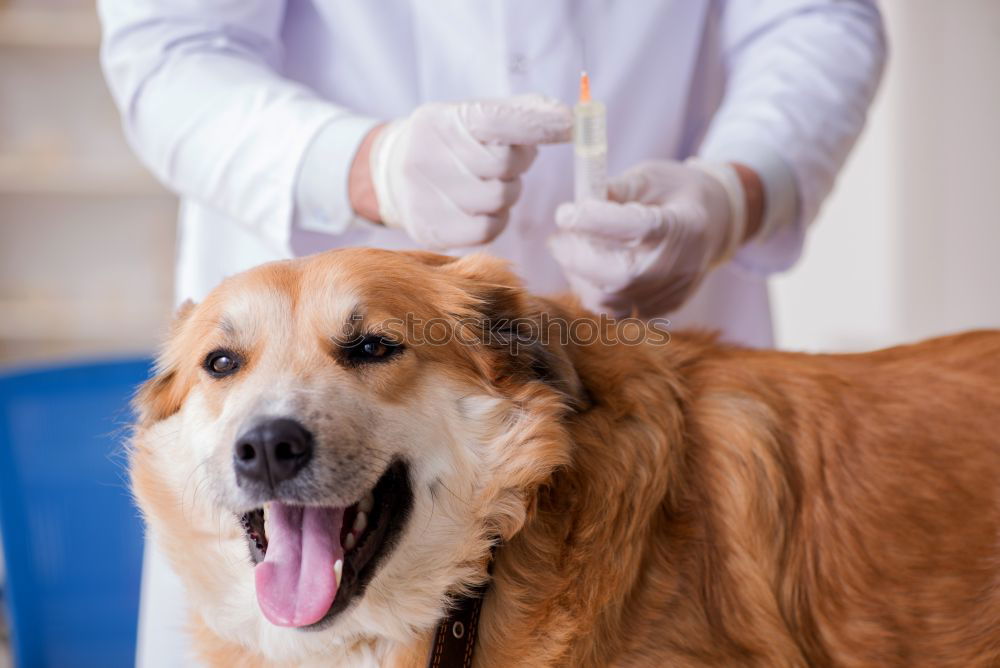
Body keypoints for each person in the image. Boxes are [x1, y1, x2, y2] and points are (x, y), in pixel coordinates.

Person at [99, 1, 886, 664]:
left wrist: (738, 190)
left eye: (368, 346)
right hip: (287, 217)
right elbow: (166, 46)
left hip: (634, 345)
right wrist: (366, 162)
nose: (272, 428)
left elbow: (812, 18)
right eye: (226, 362)